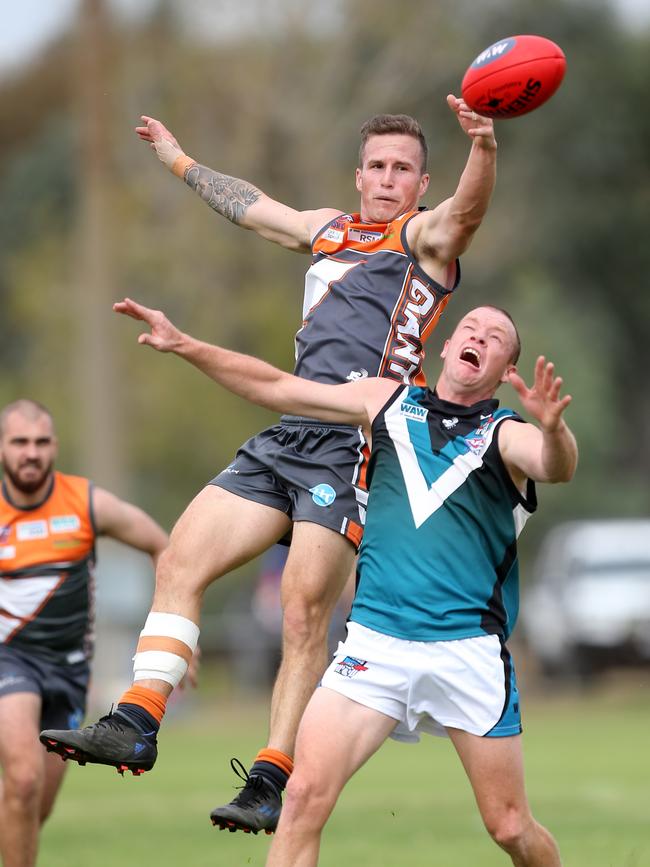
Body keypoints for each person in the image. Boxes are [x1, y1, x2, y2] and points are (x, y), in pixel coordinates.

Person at [41, 97, 498, 835]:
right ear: (359, 176)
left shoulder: (424, 241)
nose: (387, 179)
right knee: (181, 557)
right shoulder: (328, 229)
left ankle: (270, 776)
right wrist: (181, 161)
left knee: (300, 610)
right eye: (377, 166)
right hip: (286, 435)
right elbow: (253, 209)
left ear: (421, 183)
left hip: (355, 445)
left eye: (402, 169)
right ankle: (138, 717)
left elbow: (466, 213)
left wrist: (485, 148)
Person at [118, 299, 576, 865]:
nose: (478, 336)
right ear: (446, 346)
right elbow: (277, 388)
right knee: (304, 797)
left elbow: (555, 464)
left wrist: (554, 429)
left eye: (496, 336)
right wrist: (186, 345)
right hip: (374, 648)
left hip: (465, 652)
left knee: (509, 827)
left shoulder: (507, 434)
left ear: (506, 369)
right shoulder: (386, 400)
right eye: (469, 327)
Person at [0, 399, 169, 867]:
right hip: (9, 661)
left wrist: (176, 634)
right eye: (19, 442)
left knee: (34, 807)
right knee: (23, 780)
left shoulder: (85, 504)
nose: (30, 453)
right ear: (2, 449)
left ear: (54, 446)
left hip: (70, 671)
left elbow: (162, 545)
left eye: (39, 442)